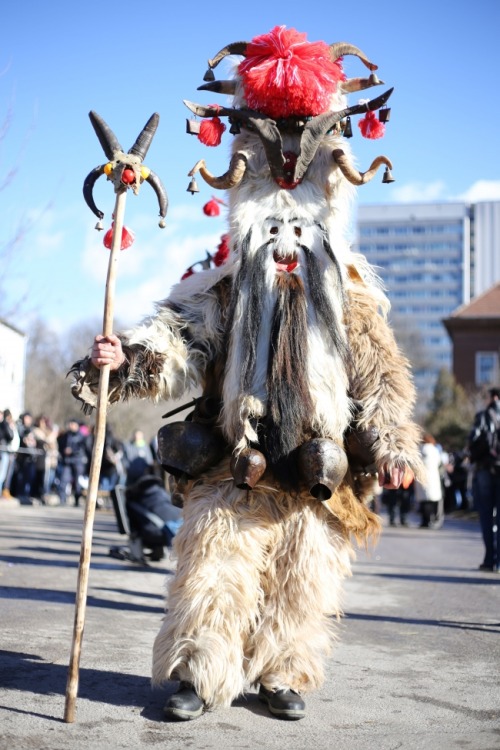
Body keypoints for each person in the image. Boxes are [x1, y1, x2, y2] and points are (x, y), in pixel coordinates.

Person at [70, 27, 423, 722]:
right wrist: (125, 360)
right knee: (214, 568)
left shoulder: (350, 294)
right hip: (238, 457)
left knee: (305, 579)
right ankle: (197, 675)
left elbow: (382, 373)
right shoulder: (230, 284)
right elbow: (180, 336)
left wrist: (392, 441)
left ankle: (282, 673)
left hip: (318, 465)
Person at [468, 387, 500, 572]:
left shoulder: (483, 416)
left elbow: (473, 440)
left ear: (494, 397)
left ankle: (489, 559)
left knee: (486, 516)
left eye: (487, 398)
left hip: (485, 470)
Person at [414, 433, 444, 529]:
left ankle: (425, 521)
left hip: (422, 476)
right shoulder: (435, 450)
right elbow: (439, 462)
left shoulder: (419, 449)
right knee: (431, 500)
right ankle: (431, 519)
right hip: (433, 477)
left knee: (424, 501)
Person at [57, 419, 89, 506]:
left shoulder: (82, 436)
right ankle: (62, 499)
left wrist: (73, 451)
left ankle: (77, 500)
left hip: (78, 462)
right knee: (64, 480)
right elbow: (61, 445)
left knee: (78, 483)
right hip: (67, 461)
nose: (71, 426)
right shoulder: (66, 435)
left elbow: (83, 448)